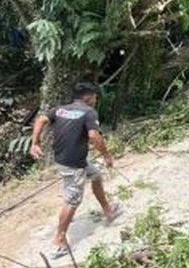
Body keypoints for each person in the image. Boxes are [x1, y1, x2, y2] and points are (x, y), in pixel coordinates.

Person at [30, 82, 123, 257]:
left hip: (68, 158)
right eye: (95, 97)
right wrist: (107, 156)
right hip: (73, 164)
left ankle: (108, 210)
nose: (96, 100)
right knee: (72, 200)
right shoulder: (89, 112)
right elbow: (94, 136)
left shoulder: (60, 109)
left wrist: (35, 142)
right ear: (88, 97)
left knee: (95, 175)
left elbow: (41, 119)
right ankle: (59, 240)